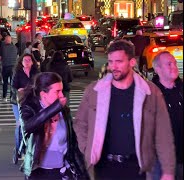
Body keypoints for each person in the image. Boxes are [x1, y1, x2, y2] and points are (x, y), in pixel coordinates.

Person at [73, 39, 176, 179]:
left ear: (132, 62)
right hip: (104, 167)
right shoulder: (94, 91)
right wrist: (87, 149)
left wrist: (168, 171)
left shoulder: (150, 92)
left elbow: (163, 133)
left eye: (119, 61)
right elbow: (80, 123)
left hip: (137, 168)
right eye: (110, 61)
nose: (113, 66)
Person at [19, 72, 89, 180]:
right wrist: (55, 108)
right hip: (39, 171)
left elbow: (73, 145)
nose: (62, 95)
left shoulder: (64, 111)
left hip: (62, 171)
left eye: (62, 90)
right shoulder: (29, 108)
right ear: (43, 94)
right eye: (57, 91)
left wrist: (83, 173)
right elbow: (28, 126)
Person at [151, 51, 183, 180]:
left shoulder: (181, 89)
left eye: (174, 63)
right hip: (161, 162)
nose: (174, 67)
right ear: (157, 69)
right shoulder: (150, 94)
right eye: (169, 64)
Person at [11, 53, 39, 161]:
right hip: (18, 101)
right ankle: (19, 148)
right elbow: (13, 86)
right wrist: (18, 90)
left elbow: (39, 85)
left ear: (32, 62)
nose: (27, 62)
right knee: (20, 125)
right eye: (25, 60)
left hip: (32, 102)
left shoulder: (36, 73)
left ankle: (32, 146)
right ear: (21, 62)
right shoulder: (17, 73)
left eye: (29, 60)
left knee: (34, 124)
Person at [0, 35, 18, 102]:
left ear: (5, 40)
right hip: (13, 67)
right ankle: (11, 96)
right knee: (12, 82)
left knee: (5, 82)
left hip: (5, 66)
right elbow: (17, 56)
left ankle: (4, 97)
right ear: (11, 40)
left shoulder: (3, 48)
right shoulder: (15, 48)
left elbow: (0, 57)